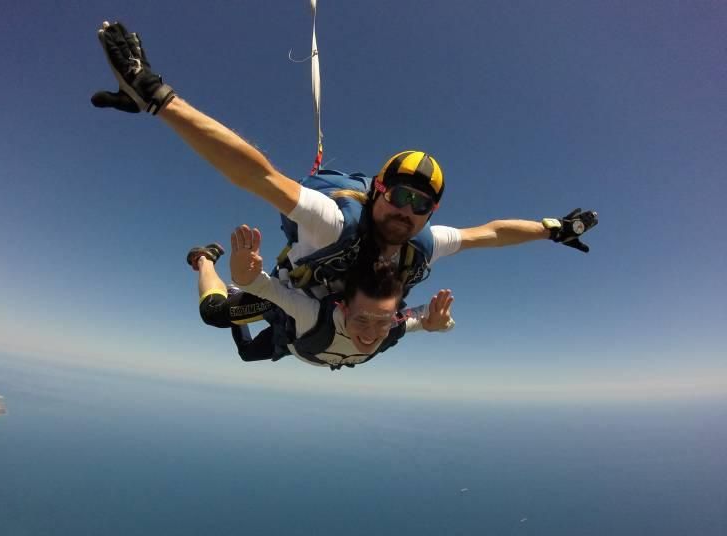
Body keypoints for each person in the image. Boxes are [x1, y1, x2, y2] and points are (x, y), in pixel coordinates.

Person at [91, 21, 599, 326]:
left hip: (343, 315)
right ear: (377, 191)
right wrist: (162, 101)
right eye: (399, 195)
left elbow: (489, 233)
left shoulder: (426, 242)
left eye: (421, 205)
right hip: (295, 297)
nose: (406, 211)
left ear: (432, 213)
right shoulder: (331, 221)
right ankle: (203, 259)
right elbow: (257, 174)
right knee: (215, 314)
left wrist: (553, 227)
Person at [216, 225, 455, 369]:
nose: (371, 334)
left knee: (247, 353)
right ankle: (206, 260)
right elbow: (266, 289)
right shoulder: (313, 315)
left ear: (392, 317)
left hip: (292, 340)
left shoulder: (395, 324)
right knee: (213, 313)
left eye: (382, 321)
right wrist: (242, 277)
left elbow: (424, 316)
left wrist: (439, 325)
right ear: (344, 309)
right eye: (362, 320)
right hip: (283, 310)